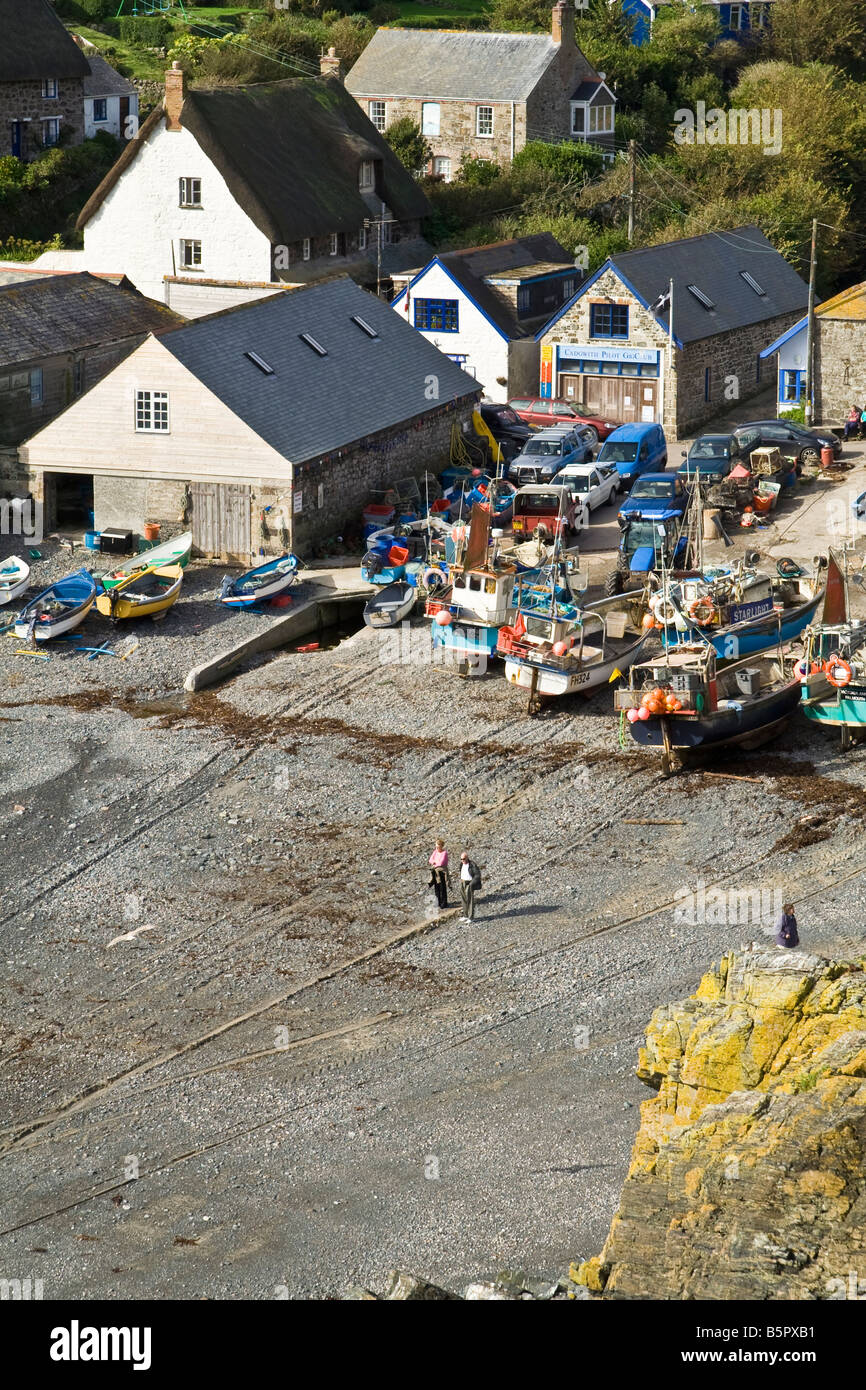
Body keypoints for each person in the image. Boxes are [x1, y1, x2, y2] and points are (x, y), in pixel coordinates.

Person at [458, 850, 482, 923]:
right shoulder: (461, 864)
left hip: (469, 883)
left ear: (467, 858)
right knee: (464, 899)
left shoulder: (472, 865)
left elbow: (477, 875)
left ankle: (471, 917)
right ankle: (465, 915)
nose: (463, 860)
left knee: (470, 900)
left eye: (464, 859)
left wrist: (472, 884)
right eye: (461, 859)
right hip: (462, 882)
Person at [428, 839, 450, 910]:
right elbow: (430, 860)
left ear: (441, 846)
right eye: (436, 846)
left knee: (442, 887)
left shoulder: (444, 853)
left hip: (442, 872)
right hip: (436, 871)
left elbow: (441, 862)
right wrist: (434, 862)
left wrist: (435, 863)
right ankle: (438, 902)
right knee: (436, 887)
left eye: (438, 846)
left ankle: (444, 903)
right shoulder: (435, 852)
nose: (437, 848)